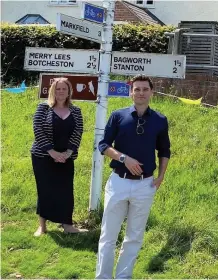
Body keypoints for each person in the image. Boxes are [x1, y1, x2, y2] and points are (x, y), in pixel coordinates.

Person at [95, 75, 171, 279]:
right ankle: (102, 277)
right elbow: (103, 145)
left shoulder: (160, 120)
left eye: (145, 89)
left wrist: (161, 177)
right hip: (118, 182)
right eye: (136, 89)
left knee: (134, 236)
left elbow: (164, 151)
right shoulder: (118, 116)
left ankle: (123, 277)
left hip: (145, 185)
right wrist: (123, 158)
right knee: (108, 235)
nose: (141, 93)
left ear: (152, 92)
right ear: (130, 92)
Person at [31, 77, 85, 236]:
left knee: (66, 190)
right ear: (53, 91)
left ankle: (67, 224)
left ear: (69, 92)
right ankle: (42, 226)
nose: (61, 92)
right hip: (43, 156)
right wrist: (52, 152)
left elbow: (78, 132)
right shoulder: (43, 108)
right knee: (45, 189)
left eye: (64, 89)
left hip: (66, 158)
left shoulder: (76, 111)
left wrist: (66, 154)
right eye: (58, 89)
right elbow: (38, 131)